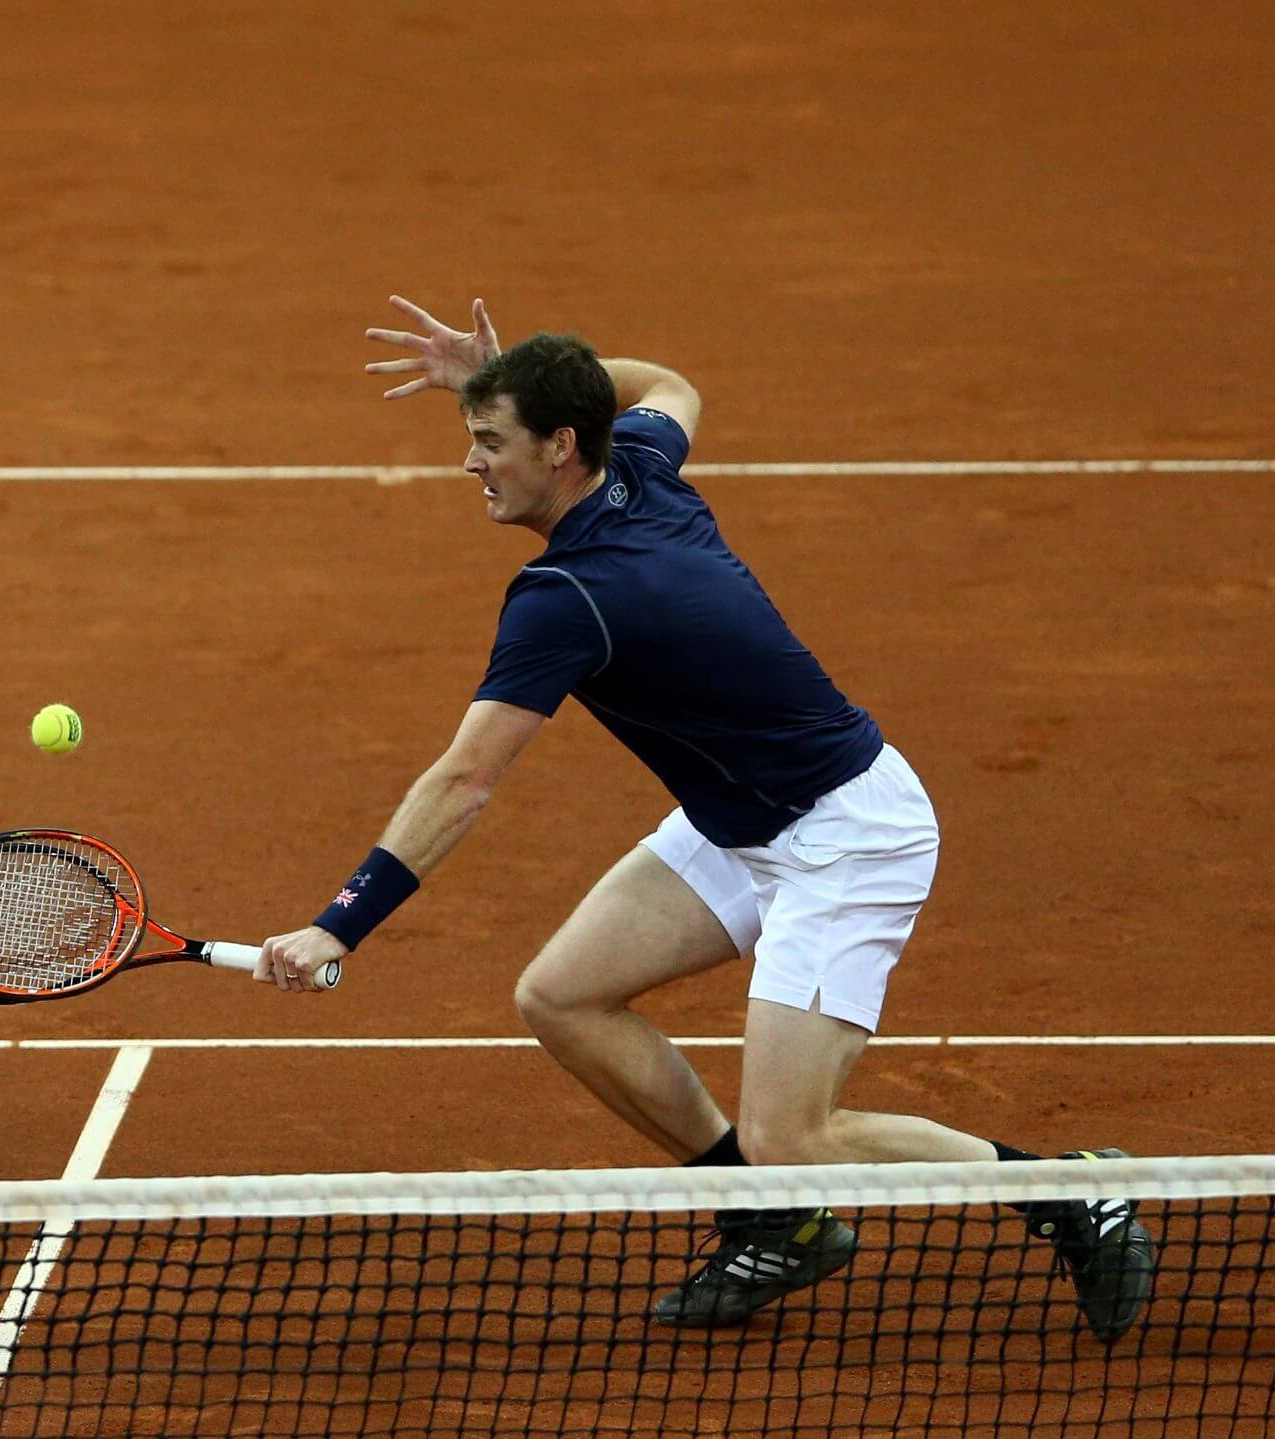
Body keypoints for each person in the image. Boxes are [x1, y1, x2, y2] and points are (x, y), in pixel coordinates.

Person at [256, 298, 1155, 1341]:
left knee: (794, 1133)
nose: (471, 462)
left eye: (488, 439)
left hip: (843, 836)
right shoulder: (638, 462)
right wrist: (511, 377)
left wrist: (341, 921)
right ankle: (778, 1227)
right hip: (738, 823)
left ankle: (1069, 1189)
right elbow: (671, 384)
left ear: (558, 447)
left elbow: (464, 782)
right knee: (562, 996)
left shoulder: (564, 595)